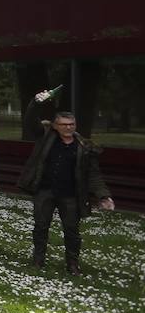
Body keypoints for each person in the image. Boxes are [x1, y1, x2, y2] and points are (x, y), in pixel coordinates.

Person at [17, 111, 115, 274]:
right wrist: (36, 104)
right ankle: (38, 260)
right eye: (64, 124)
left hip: (70, 195)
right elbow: (30, 121)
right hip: (45, 191)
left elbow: (93, 174)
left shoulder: (83, 146)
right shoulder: (46, 138)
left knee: (72, 230)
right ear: (55, 126)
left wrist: (103, 195)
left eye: (71, 124)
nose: (68, 127)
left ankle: (72, 264)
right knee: (40, 227)